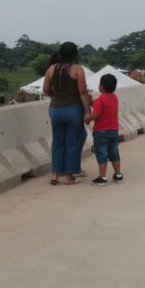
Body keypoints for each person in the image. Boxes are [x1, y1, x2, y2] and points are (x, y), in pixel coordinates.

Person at [43, 42, 91, 185]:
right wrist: (87, 111)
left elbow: (46, 90)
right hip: (73, 110)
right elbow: (82, 92)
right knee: (72, 143)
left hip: (55, 110)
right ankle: (69, 176)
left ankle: (55, 174)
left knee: (57, 142)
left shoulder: (51, 69)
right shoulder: (77, 69)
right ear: (74, 54)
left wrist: (57, 95)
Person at [85, 74, 123, 186]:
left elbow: (96, 114)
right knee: (114, 152)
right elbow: (103, 108)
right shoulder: (114, 97)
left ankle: (102, 178)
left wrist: (87, 117)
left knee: (101, 153)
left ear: (101, 87)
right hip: (113, 130)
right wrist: (92, 102)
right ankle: (118, 175)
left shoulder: (100, 99)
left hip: (101, 132)